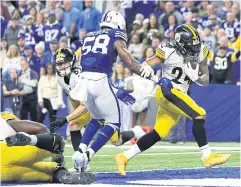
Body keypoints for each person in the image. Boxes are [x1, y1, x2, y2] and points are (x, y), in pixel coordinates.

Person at [51, 11, 168, 172]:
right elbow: (131, 64)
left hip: (84, 80)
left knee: (98, 118)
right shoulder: (116, 35)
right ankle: (88, 155)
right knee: (113, 123)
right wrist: (149, 74)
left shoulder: (89, 36)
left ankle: (79, 152)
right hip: (100, 80)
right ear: (119, 24)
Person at [114, 24, 231, 176]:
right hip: (167, 91)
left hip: (177, 94)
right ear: (181, 44)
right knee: (199, 114)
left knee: (158, 133)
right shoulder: (167, 51)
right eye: (190, 46)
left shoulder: (200, 52)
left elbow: (205, 81)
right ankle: (207, 156)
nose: (194, 49)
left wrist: (199, 68)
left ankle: (123, 156)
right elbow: (146, 65)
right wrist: (153, 76)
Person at [50, 48, 145, 166]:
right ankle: (81, 161)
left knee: (117, 141)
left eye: (65, 62)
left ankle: (135, 131)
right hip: (87, 104)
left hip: (101, 103)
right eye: (59, 64)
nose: (62, 66)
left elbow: (85, 106)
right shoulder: (59, 77)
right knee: (74, 125)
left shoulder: (80, 76)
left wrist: (66, 118)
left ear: (73, 61)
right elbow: (72, 97)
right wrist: (75, 116)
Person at [0, 111, 95, 184]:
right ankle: (59, 168)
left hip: (4, 174)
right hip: (6, 151)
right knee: (57, 142)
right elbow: (40, 129)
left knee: (33, 171)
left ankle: (60, 174)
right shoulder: (5, 120)